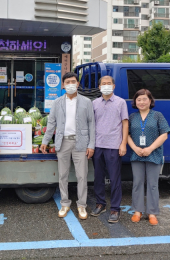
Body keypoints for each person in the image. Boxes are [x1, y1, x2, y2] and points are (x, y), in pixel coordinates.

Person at [40, 72, 95, 220]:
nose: (71, 84)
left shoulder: (86, 102)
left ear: (78, 84)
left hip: (81, 142)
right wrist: (45, 141)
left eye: (73, 81)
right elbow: (51, 123)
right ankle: (65, 203)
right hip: (62, 142)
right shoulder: (57, 102)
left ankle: (81, 205)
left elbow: (91, 124)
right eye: (67, 82)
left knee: (82, 175)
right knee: (63, 175)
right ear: (63, 85)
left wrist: (91, 145)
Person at [128, 89, 170, 226]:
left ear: (150, 101)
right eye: (138, 99)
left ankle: (152, 212)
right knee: (137, 183)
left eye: (144, 99)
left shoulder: (158, 115)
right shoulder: (132, 117)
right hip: (137, 154)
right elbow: (126, 135)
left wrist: (150, 149)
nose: (141, 102)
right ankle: (137, 211)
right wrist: (135, 148)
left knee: (153, 184)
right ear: (135, 102)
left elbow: (164, 134)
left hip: (154, 153)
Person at [92, 76, 128, 223]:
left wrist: (123, 143)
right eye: (103, 84)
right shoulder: (94, 103)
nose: (106, 86)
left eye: (109, 83)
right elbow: (91, 124)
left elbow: (125, 123)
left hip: (114, 145)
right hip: (97, 144)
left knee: (115, 179)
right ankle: (101, 204)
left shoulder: (120, 102)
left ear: (113, 86)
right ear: (99, 87)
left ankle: (115, 209)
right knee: (98, 177)